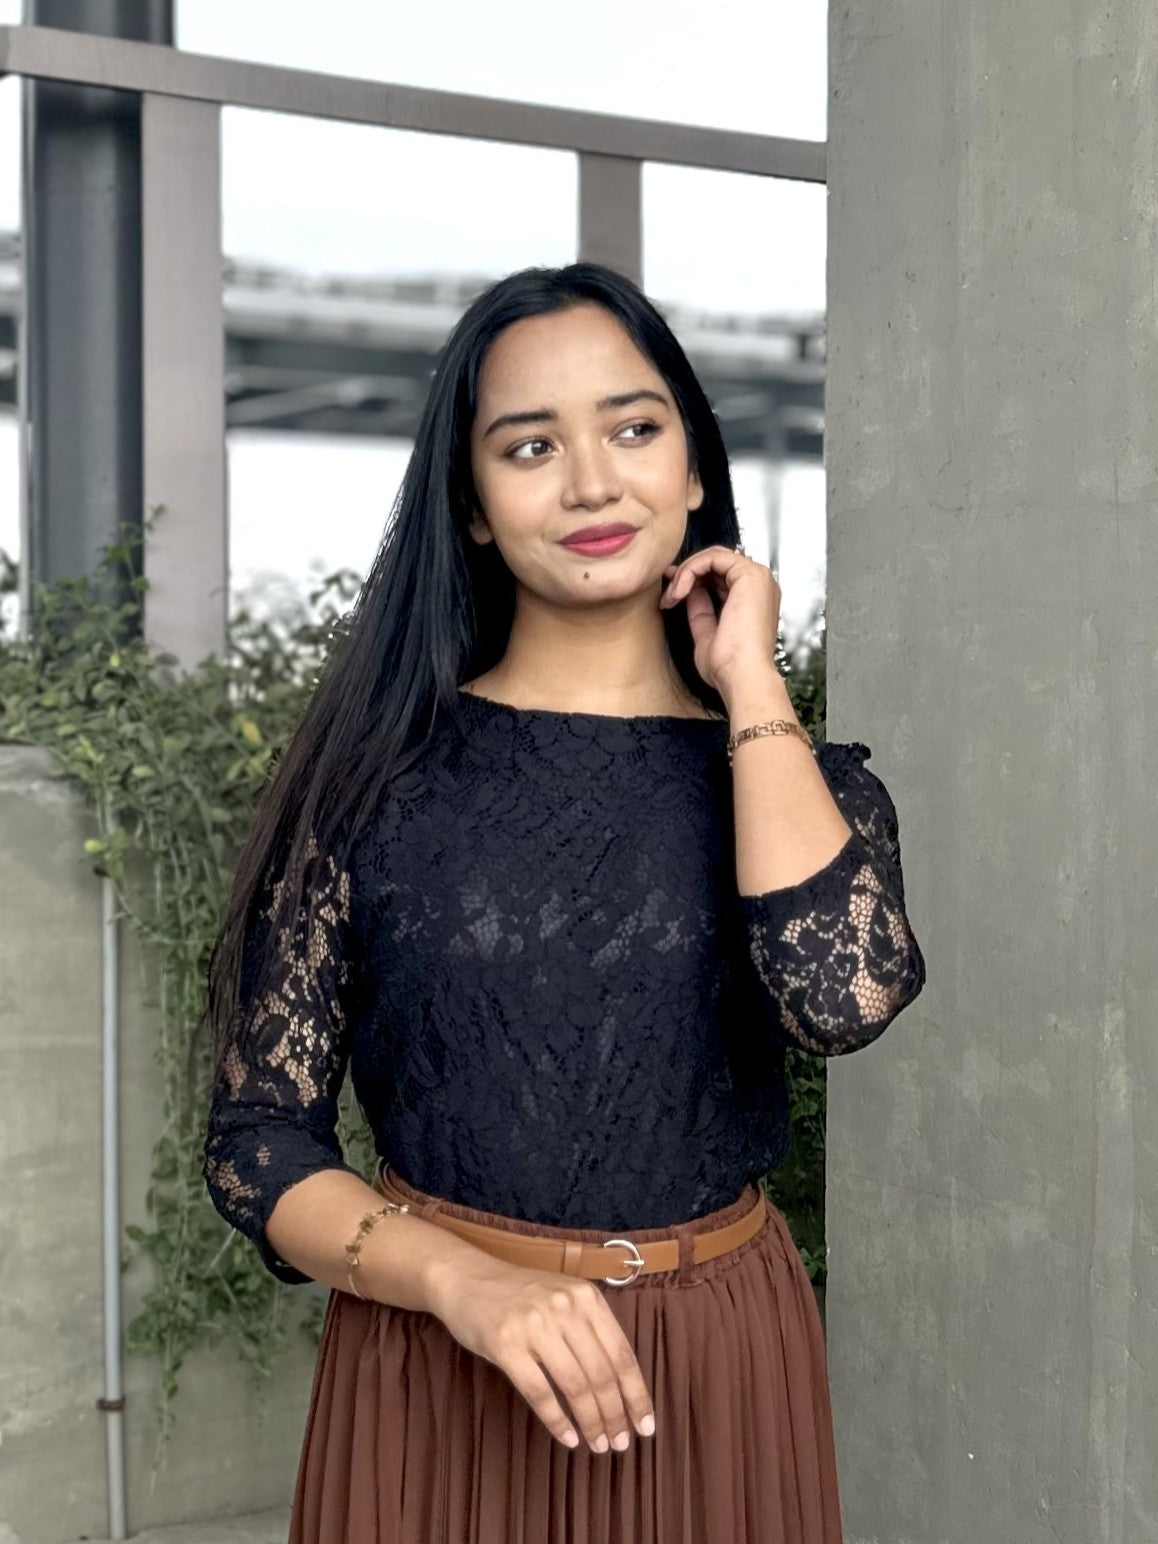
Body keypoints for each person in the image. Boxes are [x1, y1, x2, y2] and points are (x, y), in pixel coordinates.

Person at [202, 261, 926, 1544]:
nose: (592, 482)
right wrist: (463, 1283)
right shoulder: (371, 781)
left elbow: (839, 1000)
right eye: (530, 445)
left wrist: (750, 678)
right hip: (440, 1362)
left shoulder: (790, 778)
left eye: (634, 428)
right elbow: (258, 1140)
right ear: (473, 506)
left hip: (716, 1366)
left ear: (695, 467)